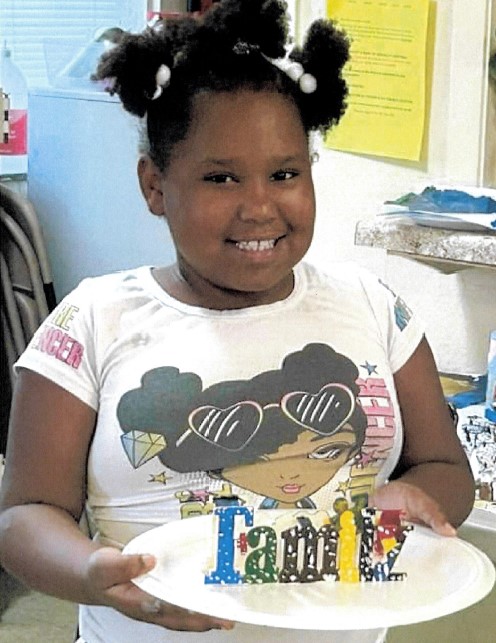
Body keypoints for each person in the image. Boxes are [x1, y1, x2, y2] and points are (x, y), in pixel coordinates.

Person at [0, 1, 474, 642]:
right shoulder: (92, 322)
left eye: (285, 174)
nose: (259, 207)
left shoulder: (372, 307)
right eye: (220, 177)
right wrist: (89, 570)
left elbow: (445, 468)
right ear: (155, 186)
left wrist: (423, 499)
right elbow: (25, 515)